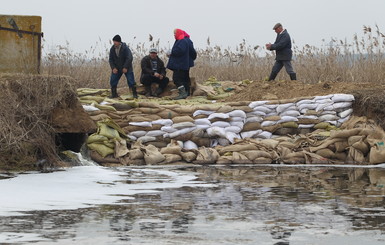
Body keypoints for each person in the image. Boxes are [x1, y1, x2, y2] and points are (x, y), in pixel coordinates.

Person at [167, 29, 197, 100]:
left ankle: (183, 93)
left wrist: (172, 52)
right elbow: (193, 52)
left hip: (180, 63)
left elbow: (180, 51)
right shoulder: (187, 40)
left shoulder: (182, 41)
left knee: (177, 78)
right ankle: (187, 93)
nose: (174, 35)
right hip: (186, 63)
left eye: (175, 34)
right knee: (185, 78)